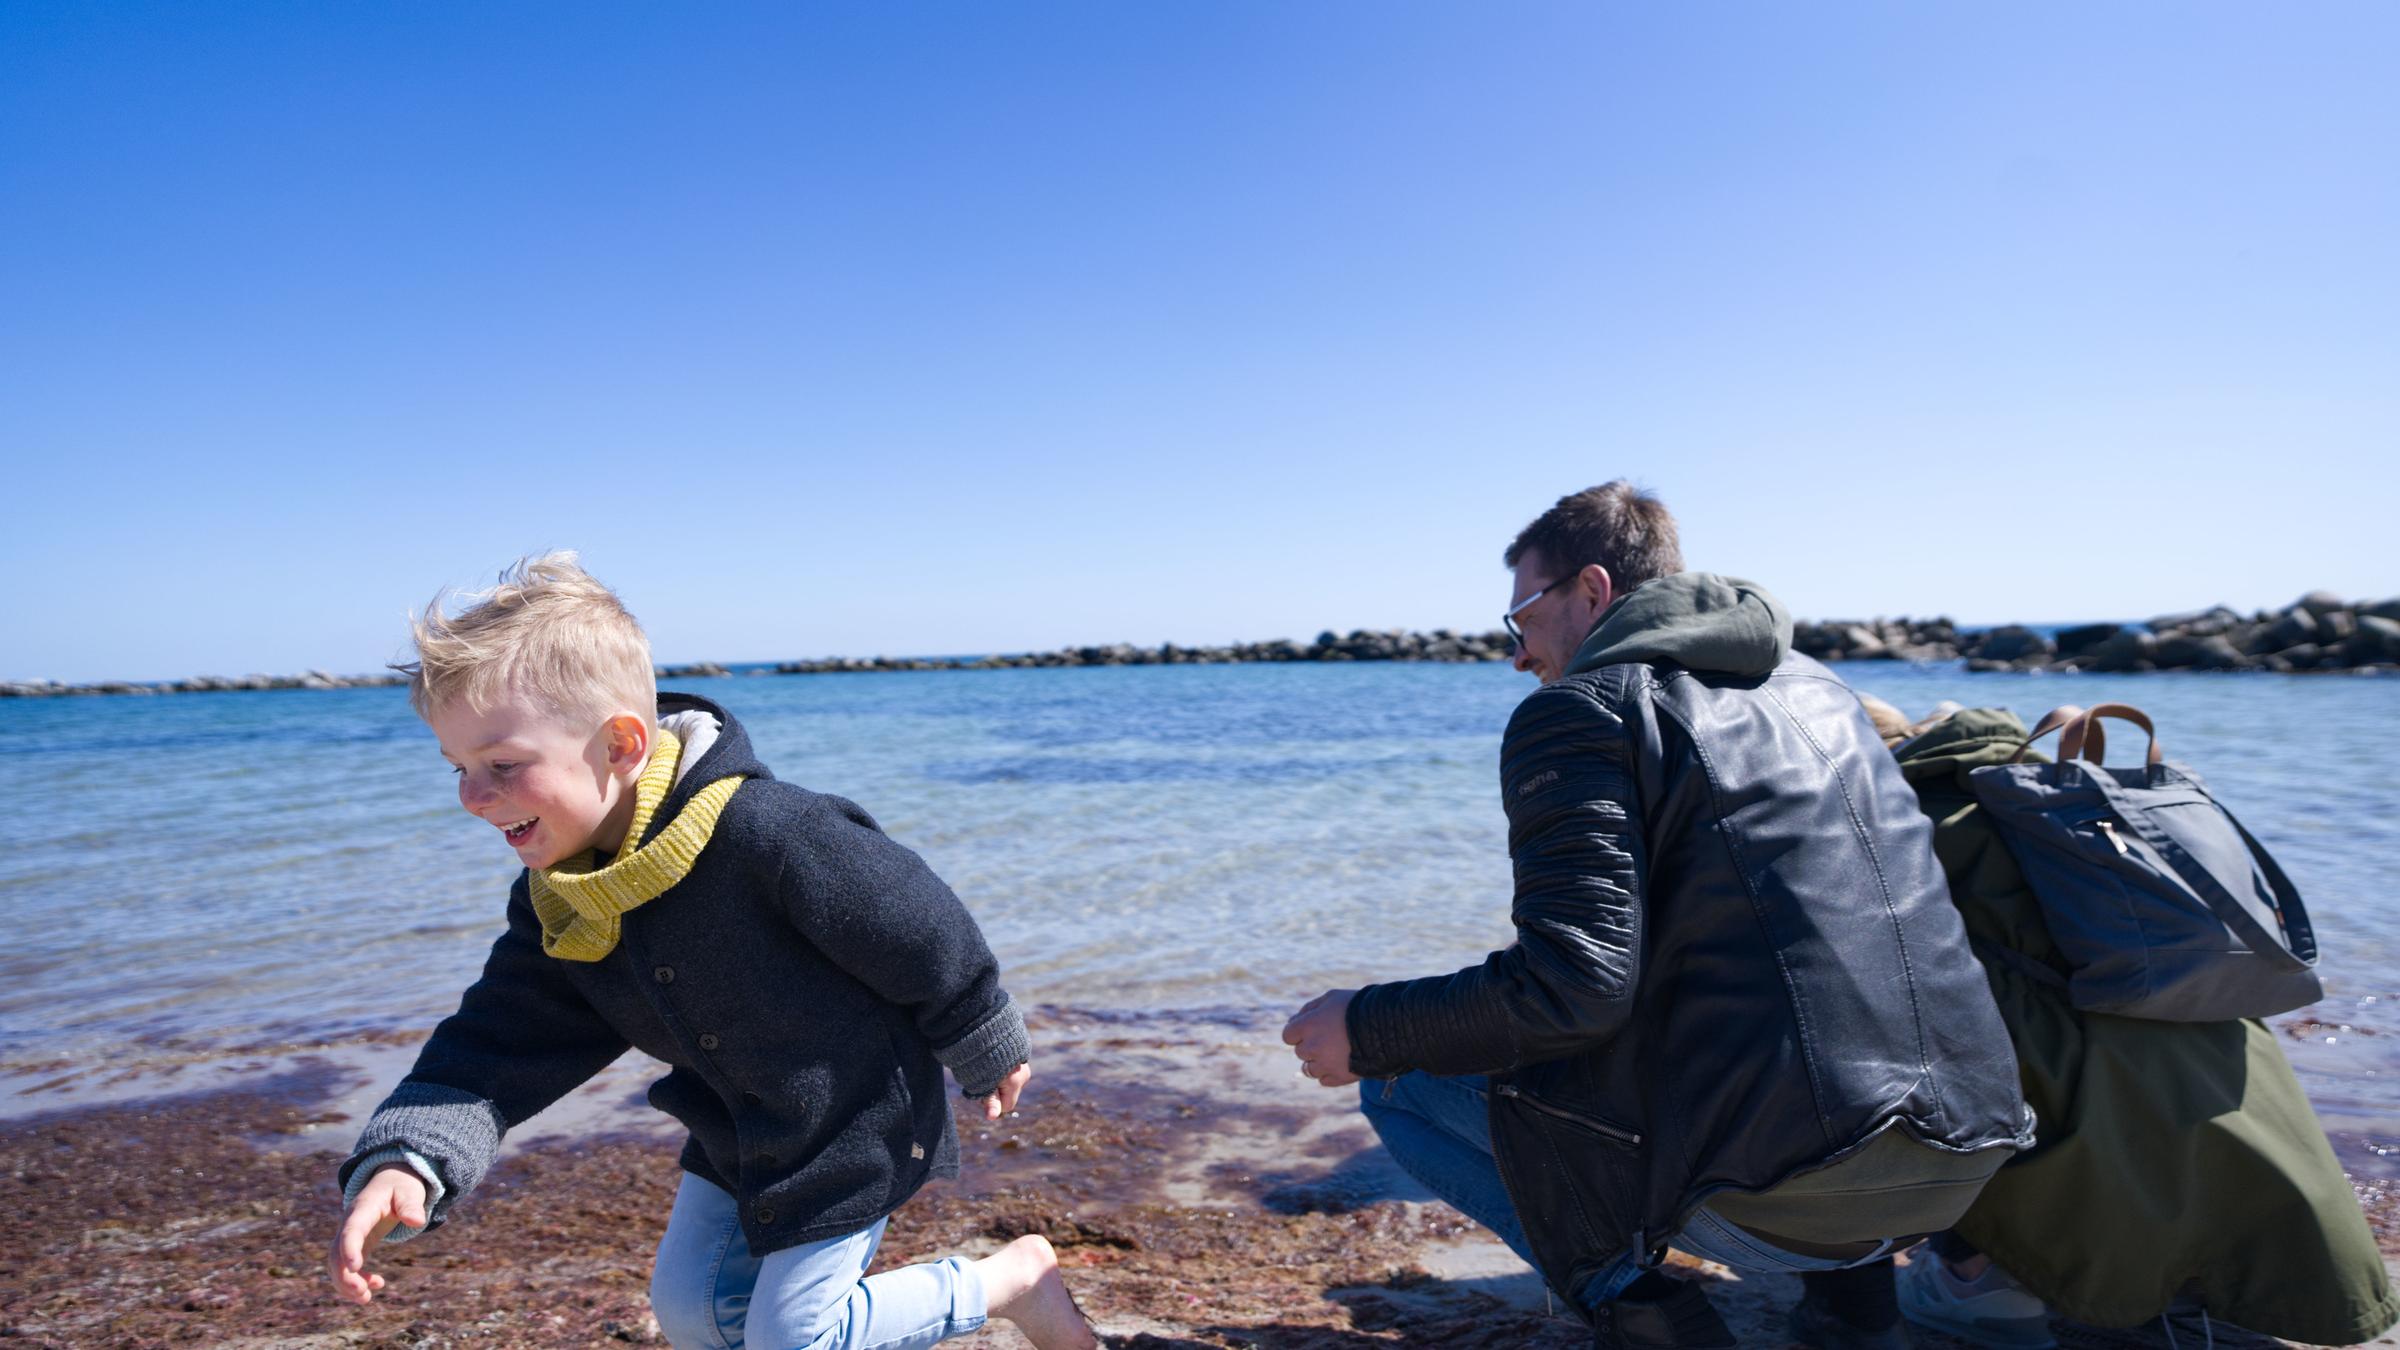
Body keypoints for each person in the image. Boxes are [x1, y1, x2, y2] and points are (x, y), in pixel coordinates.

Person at [1281, 483, 2036, 1350]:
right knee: (1805, 1000)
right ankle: (1854, 1317)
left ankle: (1650, 1321)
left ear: (1592, 592)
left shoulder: (1579, 712)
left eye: (1518, 618)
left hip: (1805, 1192)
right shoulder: (1820, 691)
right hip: (1968, 1159)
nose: (1517, 655)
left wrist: (1370, 1024)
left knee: (1399, 1085)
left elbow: (1574, 991)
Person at [324, 554, 1096, 1350]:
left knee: (797, 1338)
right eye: (458, 768)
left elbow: (909, 916)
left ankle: (1010, 1282)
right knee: (695, 1315)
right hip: (739, 1127)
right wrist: (411, 1157)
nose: (472, 797)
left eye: (502, 766)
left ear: (621, 744)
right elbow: (497, 1041)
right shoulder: (563, 897)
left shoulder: (765, 832)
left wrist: (978, 1026)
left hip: (858, 1113)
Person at [1859, 695, 2400, 1349]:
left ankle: (1982, 1283)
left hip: (2065, 1085)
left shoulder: (1896, 818)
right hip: (2234, 1069)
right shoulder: (2058, 796)